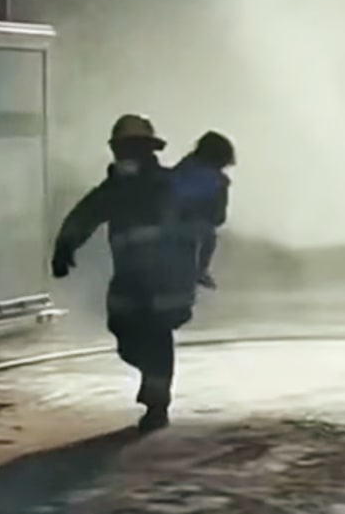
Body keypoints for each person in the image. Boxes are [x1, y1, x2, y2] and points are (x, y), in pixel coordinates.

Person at [51, 114, 199, 433]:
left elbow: (195, 225)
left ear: (148, 150)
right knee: (124, 332)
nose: (126, 155)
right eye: (123, 149)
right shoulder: (114, 189)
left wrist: (193, 269)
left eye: (133, 148)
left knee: (158, 337)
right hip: (129, 279)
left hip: (163, 279)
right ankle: (152, 383)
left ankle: (157, 404)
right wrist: (65, 248)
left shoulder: (167, 185)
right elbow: (86, 214)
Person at [172, 131, 235, 289]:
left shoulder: (183, 167)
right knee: (209, 234)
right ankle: (200, 271)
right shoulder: (219, 181)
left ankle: (198, 272)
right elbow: (219, 218)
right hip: (193, 229)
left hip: (168, 226)